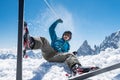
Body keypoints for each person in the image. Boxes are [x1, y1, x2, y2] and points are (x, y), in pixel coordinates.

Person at [24, 19, 98, 76]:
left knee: (69, 54)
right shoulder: (56, 38)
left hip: (57, 56)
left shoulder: (68, 45)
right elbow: (51, 29)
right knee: (44, 39)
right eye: (65, 34)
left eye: (68, 36)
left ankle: (76, 68)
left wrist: (72, 53)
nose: (66, 36)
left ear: (69, 38)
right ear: (63, 35)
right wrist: (57, 22)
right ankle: (30, 43)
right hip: (49, 52)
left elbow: (66, 55)